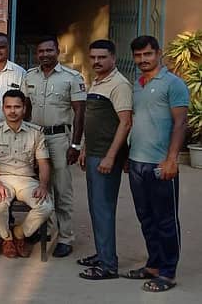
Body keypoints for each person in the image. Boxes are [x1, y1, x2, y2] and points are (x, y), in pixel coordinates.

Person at [121, 35, 188, 292]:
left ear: (158, 53)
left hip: (160, 165)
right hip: (137, 163)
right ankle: (154, 265)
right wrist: (129, 155)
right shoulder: (137, 85)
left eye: (147, 54)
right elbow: (137, 122)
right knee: (146, 218)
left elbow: (181, 123)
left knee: (165, 220)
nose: (143, 59)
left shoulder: (173, 84)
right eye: (138, 55)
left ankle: (168, 273)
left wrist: (171, 159)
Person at [21, 35, 86, 258]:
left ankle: (66, 236)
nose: (45, 55)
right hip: (36, 138)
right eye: (41, 51)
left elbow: (80, 112)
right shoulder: (29, 76)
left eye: (49, 50)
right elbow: (26, 109)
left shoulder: (71, 77)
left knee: (62, 188)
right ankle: (46, 230)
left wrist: (76, 144)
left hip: (59, 139)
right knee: (42, 186)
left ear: (57, 51)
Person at [76, 39, 133, 281]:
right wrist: (84, 148)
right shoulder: (98, 81)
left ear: (113, 58)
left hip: (106, 157)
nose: (97, 61)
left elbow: (125, 123)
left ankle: (108, 265)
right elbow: (94, 120)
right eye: (93, 57)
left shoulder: (119, 84)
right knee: (96, 207)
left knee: (103, 209)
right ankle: (102, 254)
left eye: (102, 57)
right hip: (94, 153)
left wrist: (111, 156)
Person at [0, 90, 53, 259]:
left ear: (24, 109)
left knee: (46, 206)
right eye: (8, 107)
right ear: (3, 108)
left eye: (17, 107)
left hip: (27, 180)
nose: (12, 111)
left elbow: (44, 163)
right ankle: (6, 239)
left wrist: (43, 185)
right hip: (1, 179)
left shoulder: (36, 133)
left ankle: (19, 234)